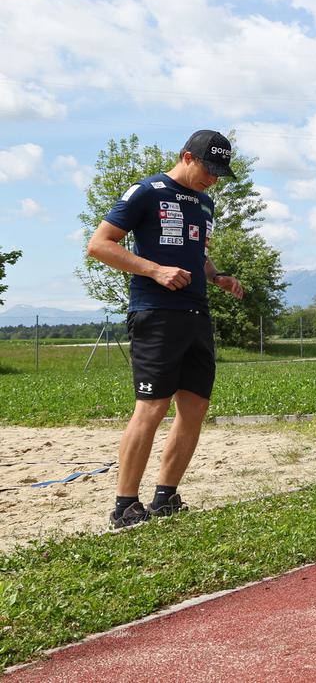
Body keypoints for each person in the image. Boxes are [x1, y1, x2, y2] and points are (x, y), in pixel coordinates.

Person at [86, 129, 245, 528]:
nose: (213, 178)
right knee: (152, 408)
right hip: (156, 313)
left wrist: (216, 276)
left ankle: (166, 498)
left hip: (196, 315)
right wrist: (154, 270)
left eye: (219, 172)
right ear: (186, 157)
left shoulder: (205, 203)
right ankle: (125, 505)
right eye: (208, 169)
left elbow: (196, 253)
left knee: (194, 409)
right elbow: (100, 245)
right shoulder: (146, 191)